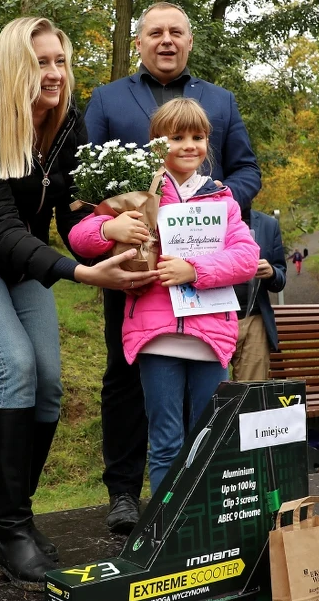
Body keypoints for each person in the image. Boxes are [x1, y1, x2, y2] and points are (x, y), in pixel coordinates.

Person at [0, 17, 158, 590]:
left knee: (51, 382)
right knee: (17, 367)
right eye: (40, 63)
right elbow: (3, 228)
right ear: (14, 67)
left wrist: (112, 229)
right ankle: (10, 533)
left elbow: (73, 212)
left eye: (59, 61)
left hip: (24, 261)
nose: (53, 73)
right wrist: (84, 272)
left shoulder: (65, 126)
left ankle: (20, 520)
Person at [83, 1, 262, 534]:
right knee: (124, 376)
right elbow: (92, 185)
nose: (166, 40)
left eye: (176, 32)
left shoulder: (220, 100)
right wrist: (121, 227)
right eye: (155, 32)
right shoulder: (108, 98)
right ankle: (123, 491)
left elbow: (247, 168)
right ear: (139, 41)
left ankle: (200, 508)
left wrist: (215, 207)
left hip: (207, 272)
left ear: (189, 40)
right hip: (139, 272)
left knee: (201, 403)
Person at [70, 98, 259, 491]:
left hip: (212, 340)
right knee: (166, 443)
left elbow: (246, 257)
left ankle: (202, 531)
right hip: (157, 339)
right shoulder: (139, 195)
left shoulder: (222, 199)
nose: (189, 145)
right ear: (157, 142)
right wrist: (111, 229)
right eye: (177, 137)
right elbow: (80, 239)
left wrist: (195, 271)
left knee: (207, 443)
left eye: (198, 136)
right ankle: (164, 537)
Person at [230, 210, 287, 382]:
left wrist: (272, 272)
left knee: (251, 394)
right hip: (212, 319)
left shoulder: (268, 224)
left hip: (254, 318)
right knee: (210, 396)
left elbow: (281, 276)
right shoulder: (205, 219)